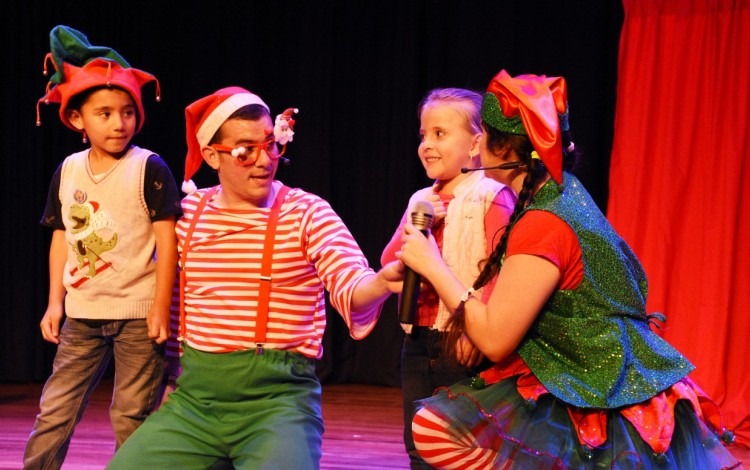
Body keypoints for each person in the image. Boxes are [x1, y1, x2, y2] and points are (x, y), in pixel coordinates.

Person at [398, 70, 740, 468]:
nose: (477, 147)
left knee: (436, 429)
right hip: (591, 376)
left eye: (484, 137)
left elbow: (493, 339)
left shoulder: (544, 221)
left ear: (505, 148)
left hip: (601, 391)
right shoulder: (567, 194)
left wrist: (433, 266)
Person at [107, 86, 403, 469]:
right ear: (213, 155)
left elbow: (350, 280)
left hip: (278, 402)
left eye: (271, 145)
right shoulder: (189, 212)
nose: (264, 161)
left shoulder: (306, 212)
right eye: (246, 150)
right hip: (195, 401)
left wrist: (381, 283)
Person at [25, 26, 181, 469]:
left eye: (128, 112)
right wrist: (55, 302)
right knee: (55, 409)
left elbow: (167, 241)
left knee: (130, 415)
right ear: (77, 119)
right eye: (105, 113)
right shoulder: (69, 169)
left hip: (137, 314)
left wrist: (159, 306)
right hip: (82, 312)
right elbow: (61, 236)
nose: (119, 122)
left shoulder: (148, 167)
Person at [380, 88, 516, 469]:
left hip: (463, 339)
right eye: (424, 135)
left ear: (475, 143)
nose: (427, 144)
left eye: (440, 134)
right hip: (420, 339)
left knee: (464, 444)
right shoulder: (422, 199)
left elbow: (501, 267)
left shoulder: (490, 194)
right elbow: (391, 259)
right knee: (419, 445)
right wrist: (419, 220)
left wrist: (480, 330)